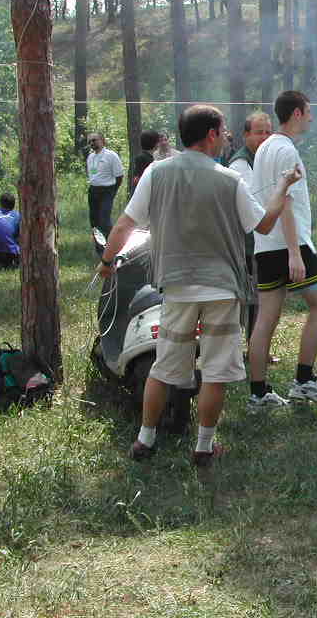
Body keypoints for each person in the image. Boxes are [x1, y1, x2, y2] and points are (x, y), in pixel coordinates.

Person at [98, 104, 302, 466]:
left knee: (164, 368)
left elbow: (125, 224)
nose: (226, 138)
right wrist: (284, 185)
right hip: (222, 289)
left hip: (176, 287)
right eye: (223, 131)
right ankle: (204, 447)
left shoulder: (156, 173)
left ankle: (145, 440)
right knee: (215, 372)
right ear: (210, 134)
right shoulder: (230, 180)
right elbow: (265, 224)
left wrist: (107, 262)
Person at [247, 90, 317, 411]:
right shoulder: (285, 150)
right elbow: (285, 202)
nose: (311, 117)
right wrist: (295, 252)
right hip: (289, 243)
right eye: (308, 112)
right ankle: (304, 380)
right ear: (296, 113)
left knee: (265, 319)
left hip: (266, 245)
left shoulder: (265, 147)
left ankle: (258, 394)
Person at [228, 112, 276, 358]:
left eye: (268, 132)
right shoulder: (240, 164)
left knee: (258, 298)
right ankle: (243, 350)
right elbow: (254, 205)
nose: (265, 137)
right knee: (247, 298)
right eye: (259, 132)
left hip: (260, 241)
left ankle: (255, 349)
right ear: (246, 135)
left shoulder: (262, 159)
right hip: (247, 244)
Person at [86, 132, 124, 253]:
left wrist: (112, 191)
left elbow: (119, 176)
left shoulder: (111, 156)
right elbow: (92, 174)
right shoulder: (90, 157)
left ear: (102, 140)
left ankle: (113, 248)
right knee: (94, 222)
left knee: (104, 221)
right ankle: (100, 249)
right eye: (90, 141)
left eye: (94, 140)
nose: (92, 143)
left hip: (107, 190)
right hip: (93, 191)